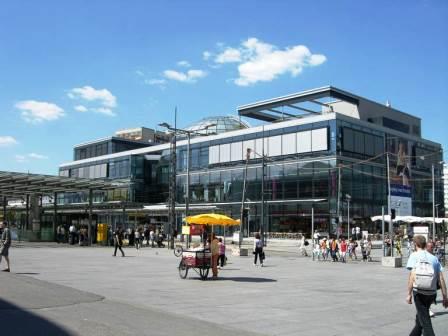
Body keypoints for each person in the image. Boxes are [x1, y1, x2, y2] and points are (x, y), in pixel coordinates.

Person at [406, 235, 448, 336]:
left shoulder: (414, 255)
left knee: (425, 320)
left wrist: (409, 294)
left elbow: (412, 276)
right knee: (421, 317)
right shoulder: (434, 258)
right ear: (425, 244)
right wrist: (445, 296)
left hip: (419, 292)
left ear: (415, 244)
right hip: (431, 293)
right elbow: (441, 279)